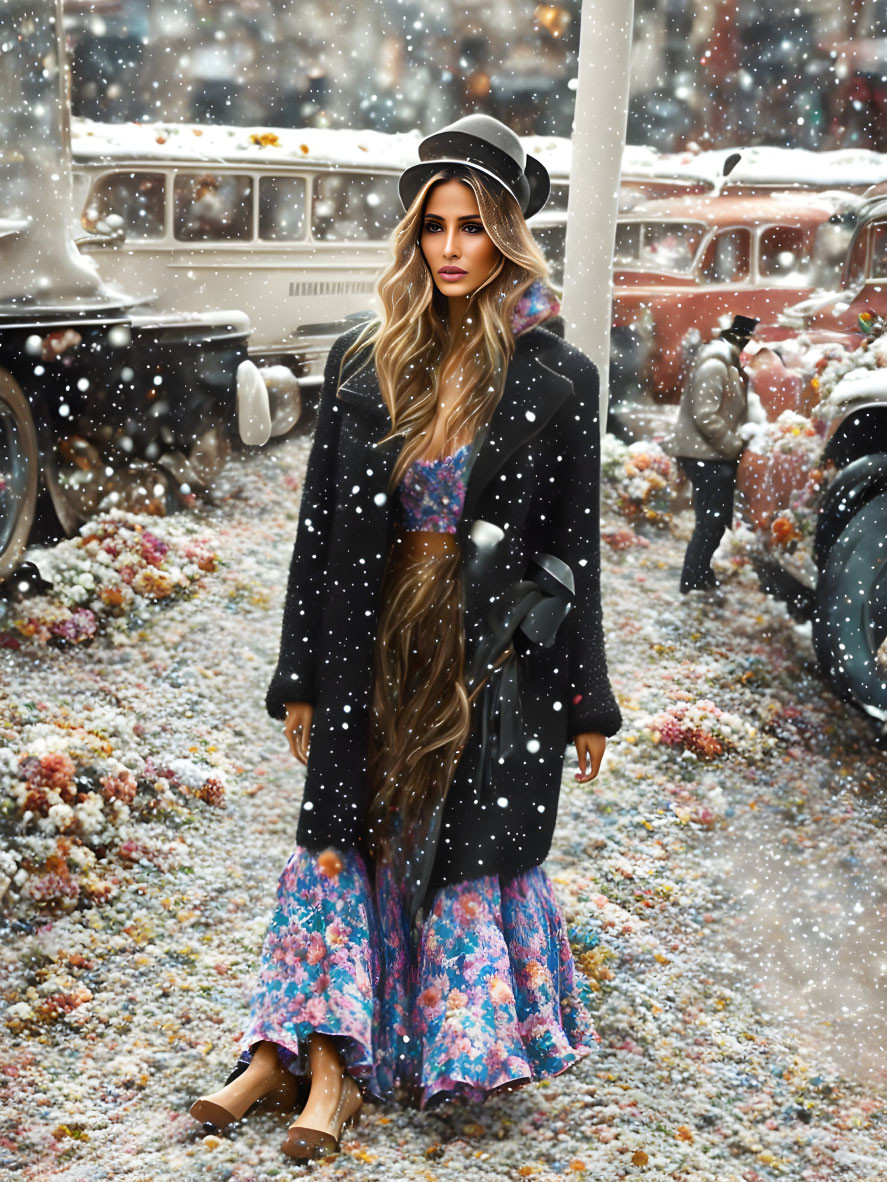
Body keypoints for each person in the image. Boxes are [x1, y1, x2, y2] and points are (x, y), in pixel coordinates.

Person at [189, 114, 622, 1161]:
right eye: (432, 226)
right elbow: (318, 534)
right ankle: (295, 1053)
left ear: (507, 234)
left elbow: (569, 553)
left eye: (472, 226)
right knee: (339, 833)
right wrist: (297, 673)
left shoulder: (555, 377)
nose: (449, 248)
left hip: (485, 659)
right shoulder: (363, 354)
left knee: (455, 839)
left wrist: (583, 698)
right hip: (366, 636)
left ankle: (409, 1047)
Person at [668, 314, 759, 594]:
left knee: (713, 522)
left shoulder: (724, 363)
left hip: (709, 454)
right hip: (706, 455)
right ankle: (693, 581)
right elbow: (705, 416)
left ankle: (700, 575)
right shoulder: (715, 365)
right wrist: (733, 446)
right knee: (710, 522)